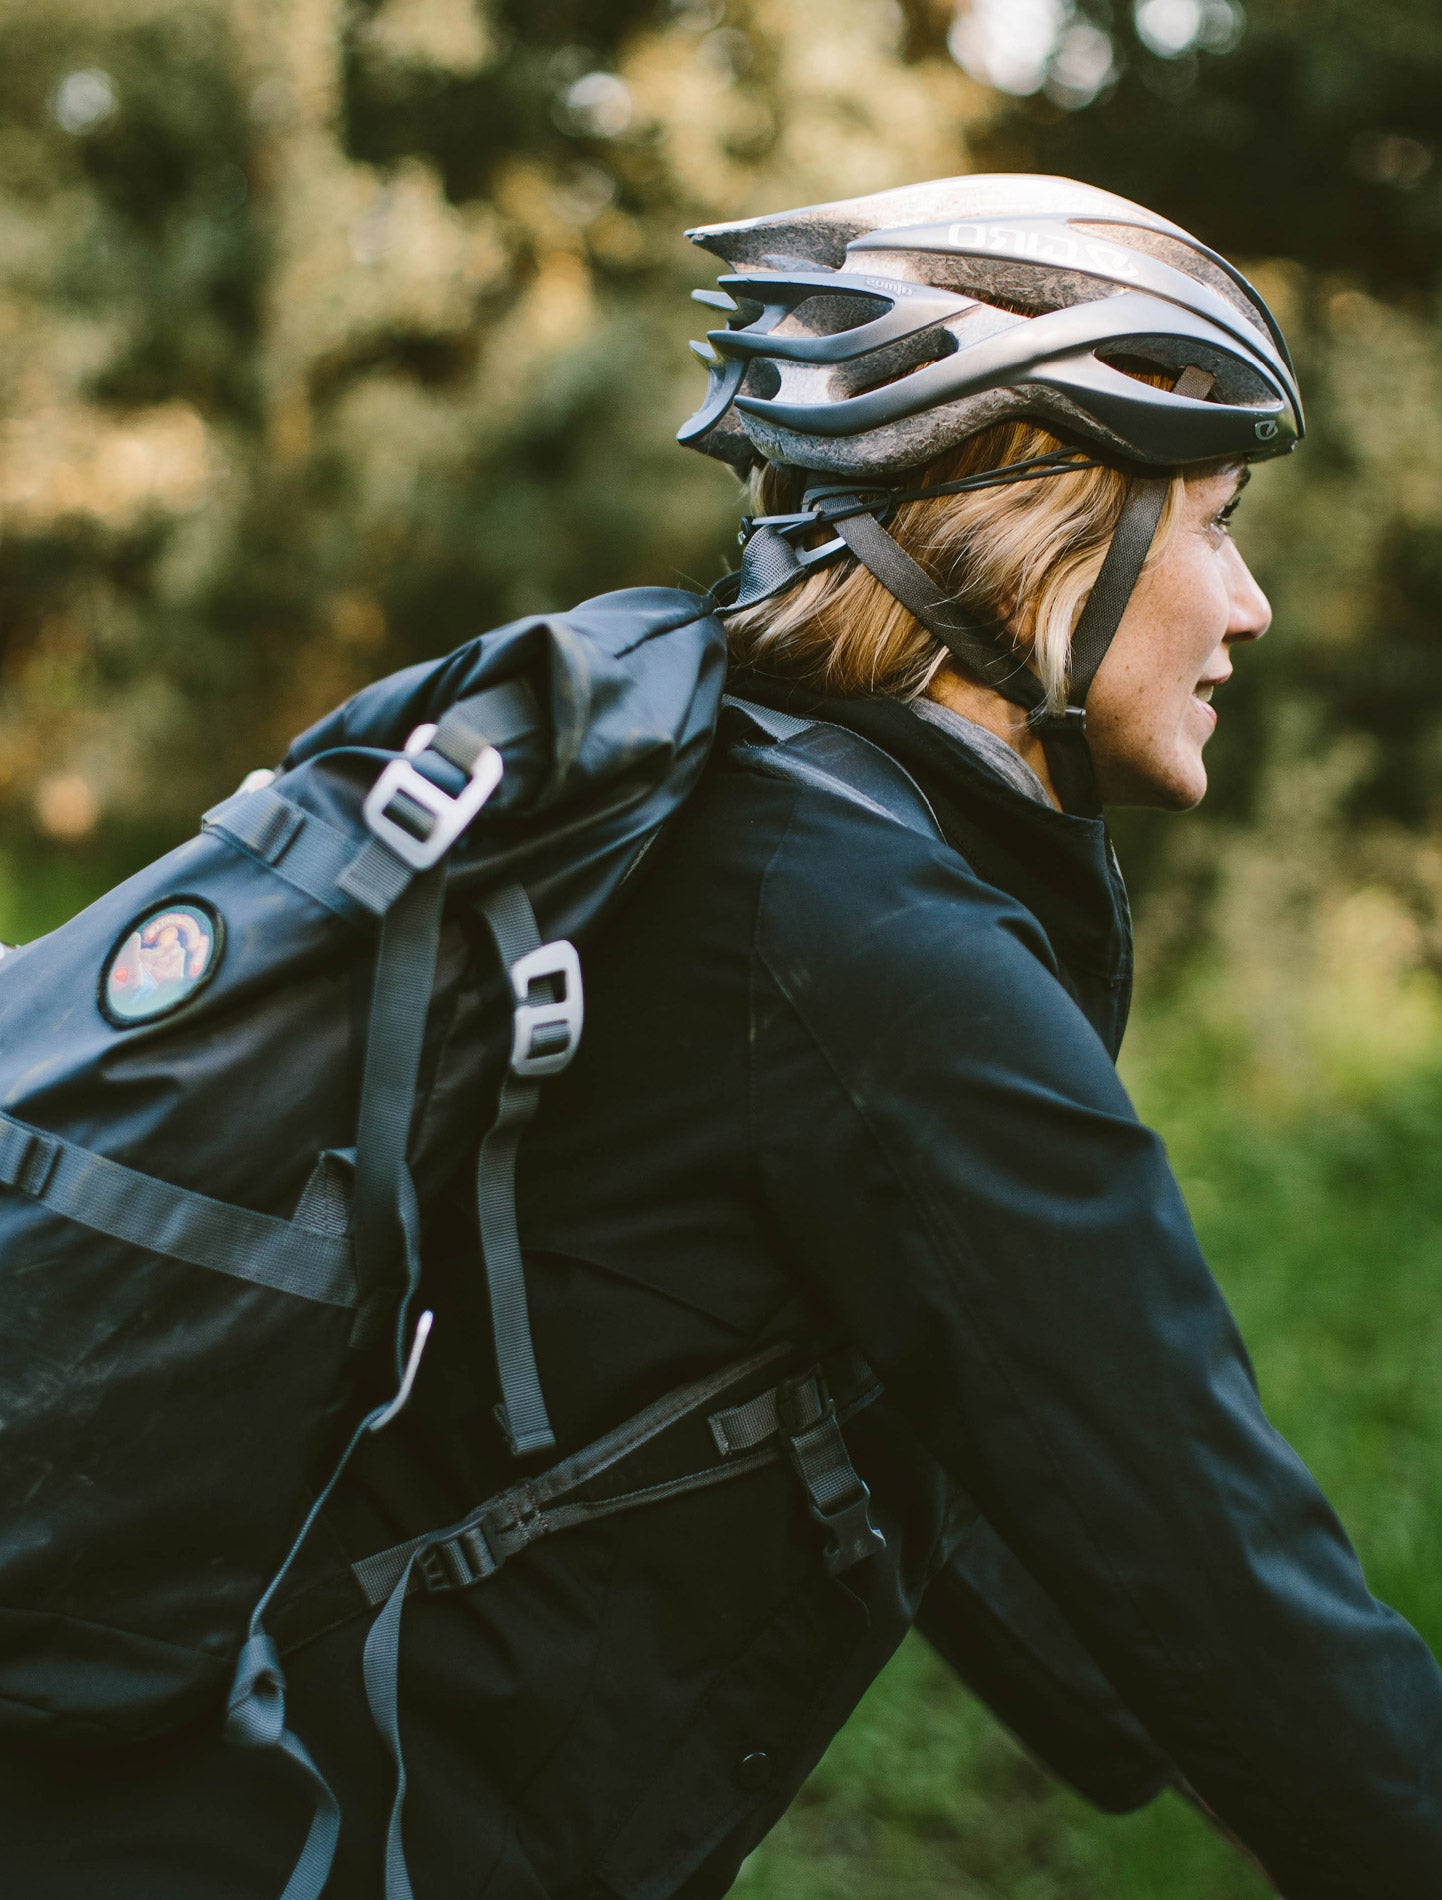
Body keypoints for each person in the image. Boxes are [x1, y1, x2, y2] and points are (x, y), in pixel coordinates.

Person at [8, 173, 1442, 1900]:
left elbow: (913, 1373)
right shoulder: (879, 948)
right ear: (1044, 522)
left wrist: (1115, 1696)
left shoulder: (705, 806)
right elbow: (1217, 1560)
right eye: (1209, 519)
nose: (1247, 602)